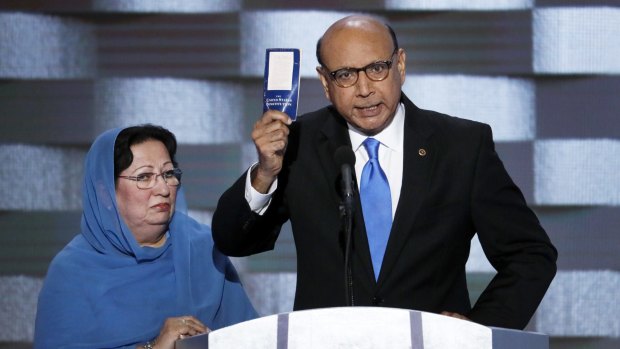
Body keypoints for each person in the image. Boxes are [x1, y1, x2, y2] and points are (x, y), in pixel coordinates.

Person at [211, 14, 557, 330]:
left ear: (400, 65)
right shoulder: (298, 145)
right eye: (345, 75)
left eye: (376, 68)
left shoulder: (462, 145)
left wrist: (477, 330)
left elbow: (530, 255)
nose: (364, 89)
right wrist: (265, 173)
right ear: (325, 82)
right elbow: (232, 240)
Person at [34, 125, 257, 349]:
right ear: (105, 192)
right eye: (144, 176)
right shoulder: (72, 271)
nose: (163, 188)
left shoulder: (202, 248)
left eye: (168, 174)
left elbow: (252, 339)